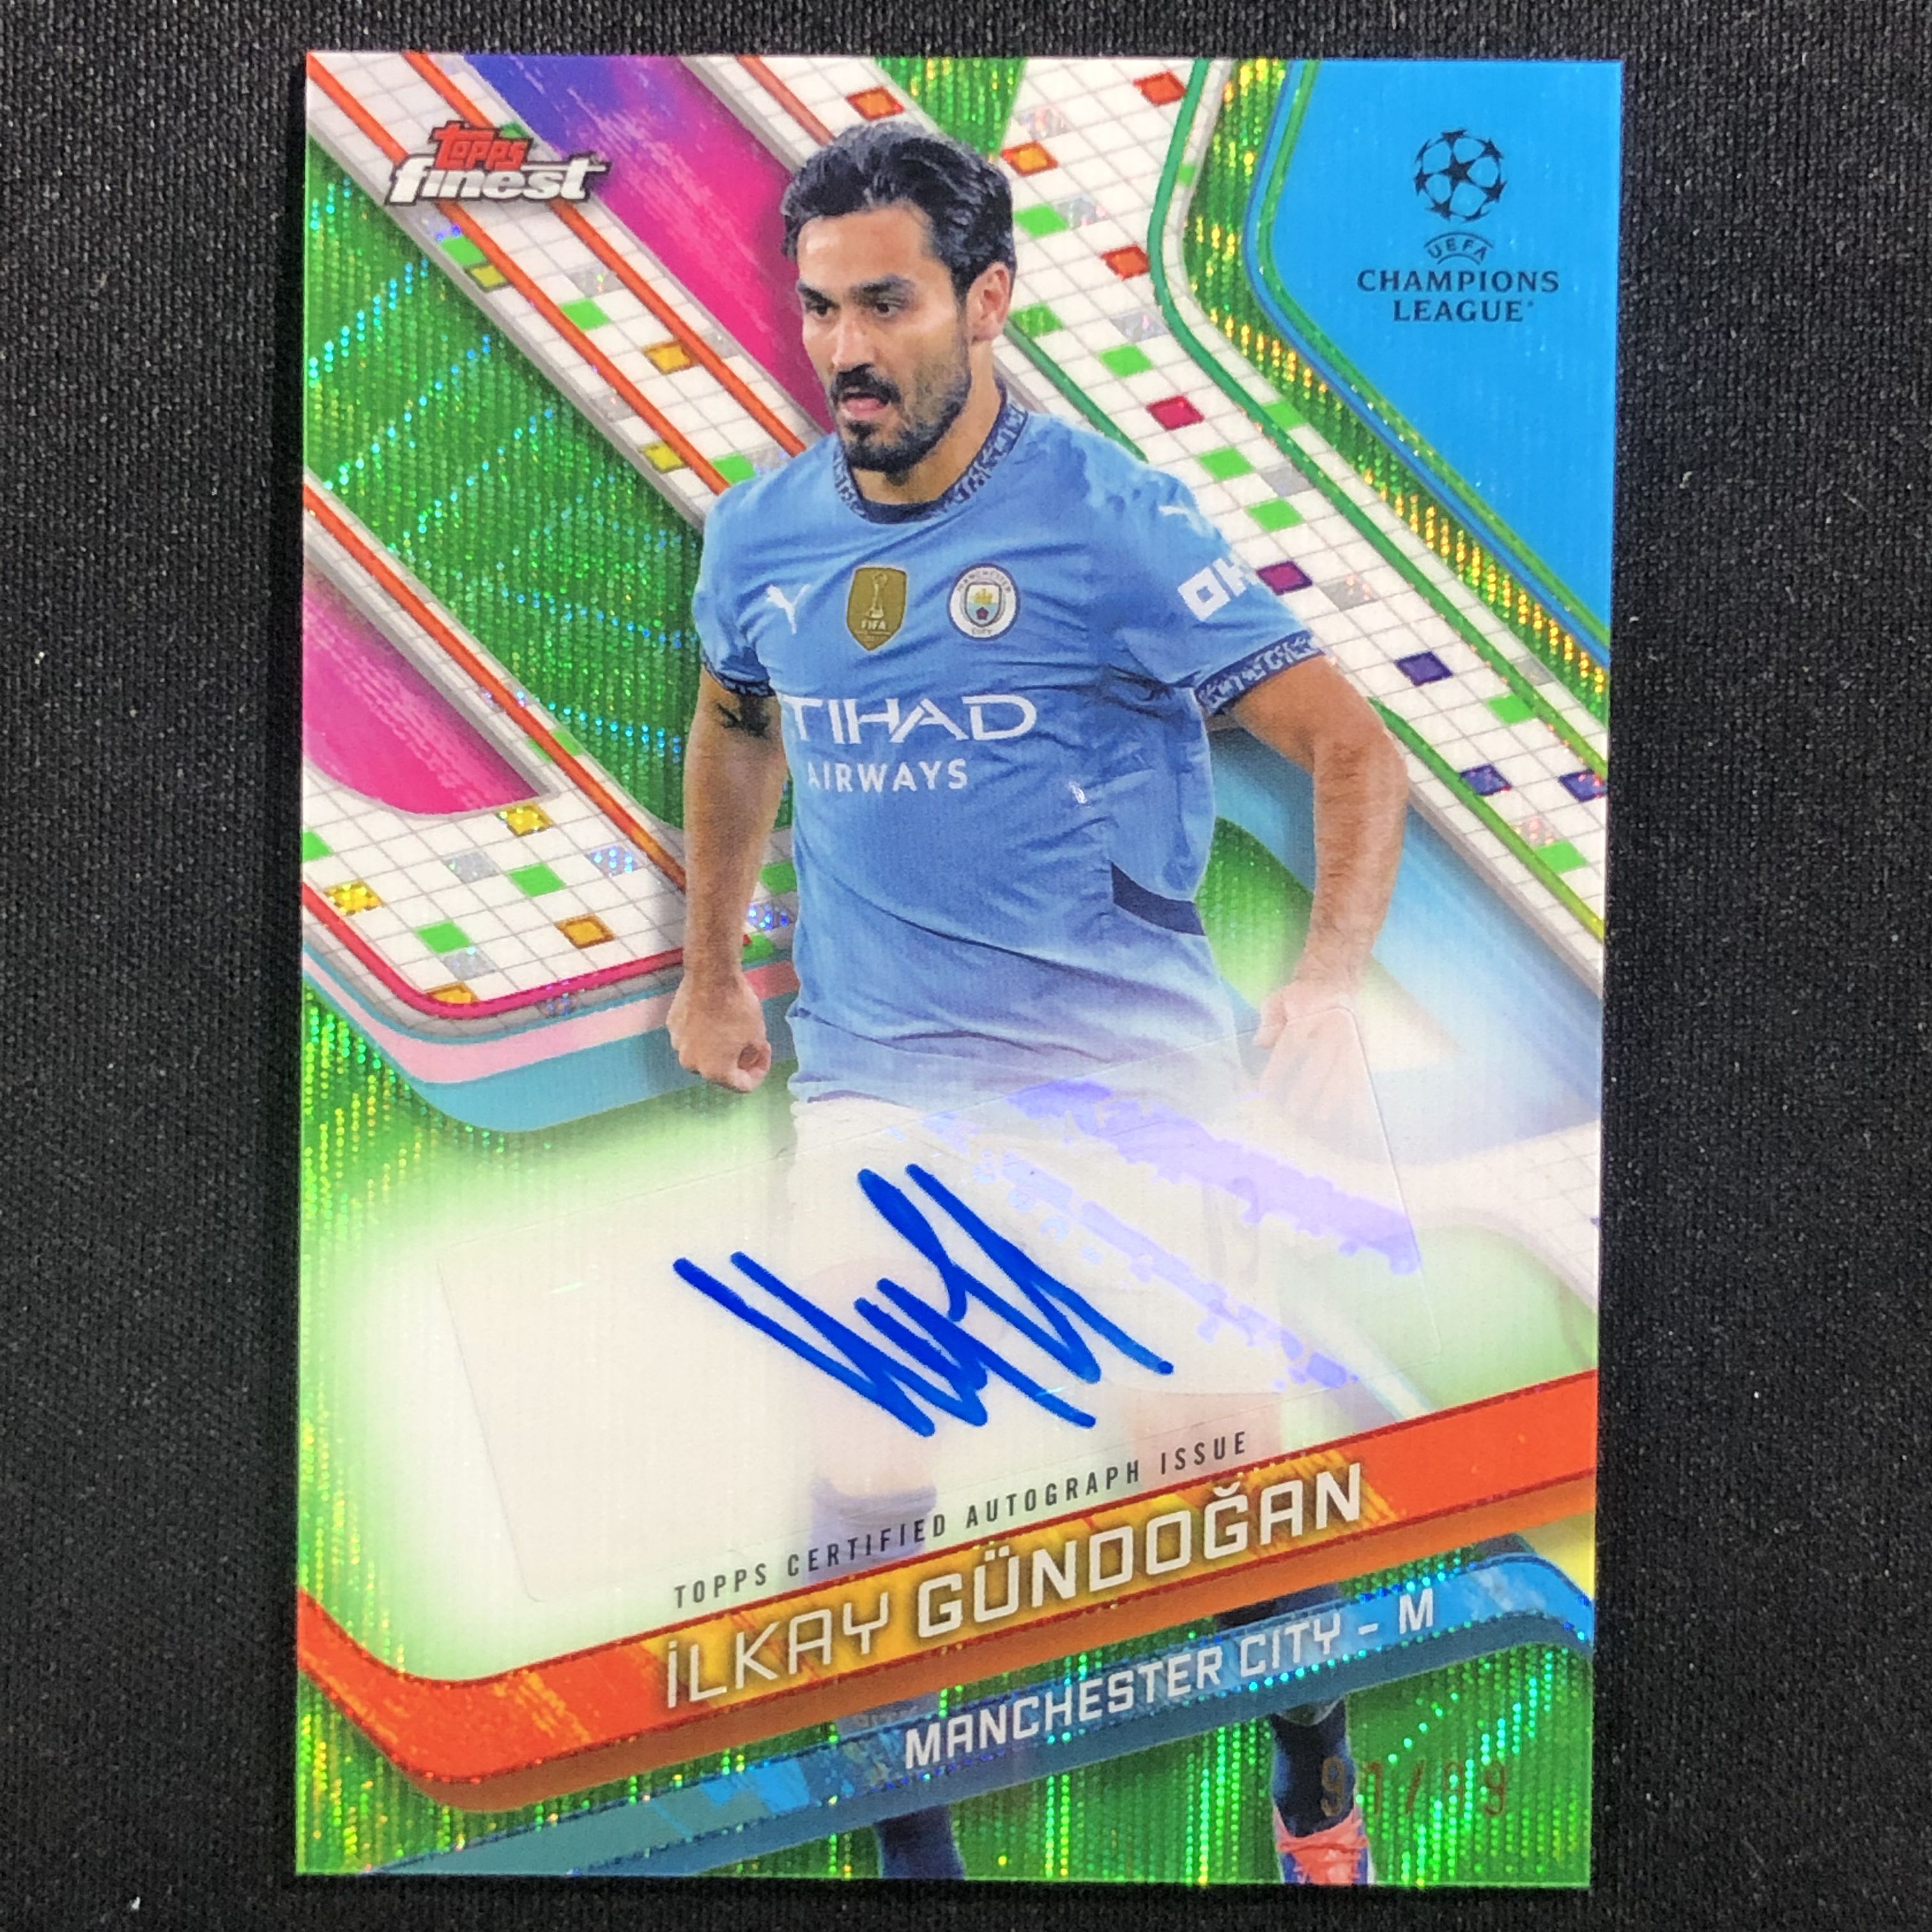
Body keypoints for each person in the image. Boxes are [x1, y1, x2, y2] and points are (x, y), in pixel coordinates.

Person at [667, 120, 1407, 1885]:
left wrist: (1325, 982)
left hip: (1124, 1079)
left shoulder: (1109, 522)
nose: (845, 348)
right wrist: (707, 966)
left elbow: (1351, 750)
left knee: (1214, 1493)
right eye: (820, 308)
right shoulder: (762, 537)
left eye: (889, 305)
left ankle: (1312, 1776)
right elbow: (736, 725)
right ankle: (912, 1871)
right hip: (877, 1080)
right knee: (863, 1480)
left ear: (987, 299)